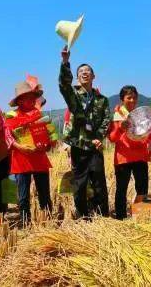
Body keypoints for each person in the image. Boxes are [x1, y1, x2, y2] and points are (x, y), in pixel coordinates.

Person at [59, 46, 111, 218]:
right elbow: (64, 84)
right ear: (78, 76)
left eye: (88, 71)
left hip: (94, 146)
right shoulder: (73, 94)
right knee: (80, 184)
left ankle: (102, 215)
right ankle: (83, 216)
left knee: (99, 183)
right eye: (81, 71)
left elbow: (106, 119)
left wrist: (99, 137)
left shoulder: (101, 100)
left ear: (93, 76)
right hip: (79, 146)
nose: (84, 73)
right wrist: (66, 62)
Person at [4, 80, 56, 225]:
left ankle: (48, 219)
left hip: (39, 157)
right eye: (28, 97)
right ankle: (25, 221)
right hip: (21, 158)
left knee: (44, 192)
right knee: (23, 193)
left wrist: (47, 145)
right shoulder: (11, 117)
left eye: (33, 97)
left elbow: (50, 134)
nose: (32, 99)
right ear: (19, 101)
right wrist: (20, 147)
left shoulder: (40, 115)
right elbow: (7, 136)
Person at [108, 85, 151, 219]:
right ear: (122, 99)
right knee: (121, 189)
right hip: (123, 158)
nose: (132, 100)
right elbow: (112, 138)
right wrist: (120, 128)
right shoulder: (117, 116)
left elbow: (147, 135)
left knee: (142, 188)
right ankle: (120, 217)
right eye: (128, 97)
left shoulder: (142, 115)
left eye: (134, 97)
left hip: (140, 156)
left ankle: (142, 215)